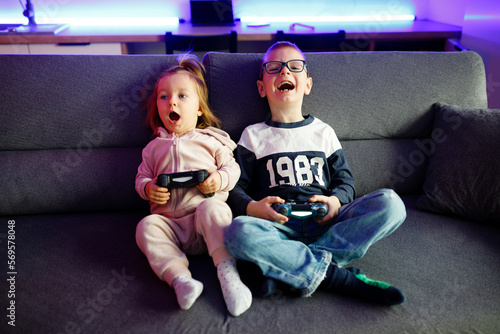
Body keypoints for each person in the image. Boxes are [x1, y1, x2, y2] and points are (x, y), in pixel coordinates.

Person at [224, 41, 407, 305]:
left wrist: (335, 202)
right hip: (279, 227)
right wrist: (253, 208)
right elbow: (234, 188)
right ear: (262, 88)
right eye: (274, 68)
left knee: (391, 203)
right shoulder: (252, 136)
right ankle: (336, 276)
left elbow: (345, 182)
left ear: (307, 84)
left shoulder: (323, 132)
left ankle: (288, 268)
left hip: (326, 224)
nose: (285, 72)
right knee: (238, 232)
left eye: (294, 67)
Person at [135, 54, 251, 317]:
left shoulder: (212, 140)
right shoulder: (153, 148)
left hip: (203, 220)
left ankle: (228, 275)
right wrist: (148, 188)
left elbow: (233, 169)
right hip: (171, 228)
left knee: (213, 208)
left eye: (181, 96)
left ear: (199, 108)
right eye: (163, 97)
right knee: (146, 226)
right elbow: (141, 179)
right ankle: (181, 280)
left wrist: (217, 180)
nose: (171, 101)